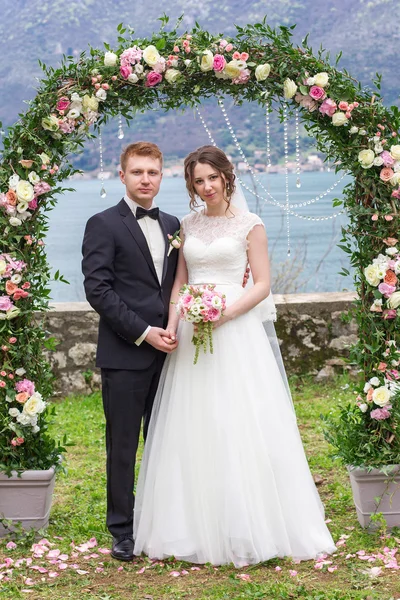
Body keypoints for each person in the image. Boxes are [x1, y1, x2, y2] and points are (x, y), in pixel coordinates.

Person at [133, 145, 336, 566]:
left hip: (235, 326)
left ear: (227, 177)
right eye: (197, 181)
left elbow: (262, 283)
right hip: (192, 330)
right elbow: (180, 285)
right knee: (194, 421)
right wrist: (173, 326)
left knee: (241, 418)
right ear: (191, 185)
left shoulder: (251, 224)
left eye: (212, 178)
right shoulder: (187, 224)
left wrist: (225, 314)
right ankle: (189, 524)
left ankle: (251, 523)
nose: (206, 187)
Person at [82, 141, 180, 562]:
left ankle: (165, 521)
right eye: (137, 172)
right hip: (125, 353)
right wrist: (143, 332)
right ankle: (122, 530)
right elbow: (97, 290)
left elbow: (177, 287)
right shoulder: (102, 224)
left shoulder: (175, 224)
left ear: (162, 176)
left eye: (152, 172)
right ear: (122, 175)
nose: (145, 179)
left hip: (173, 355)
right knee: (122, 446)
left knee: (166, 441)